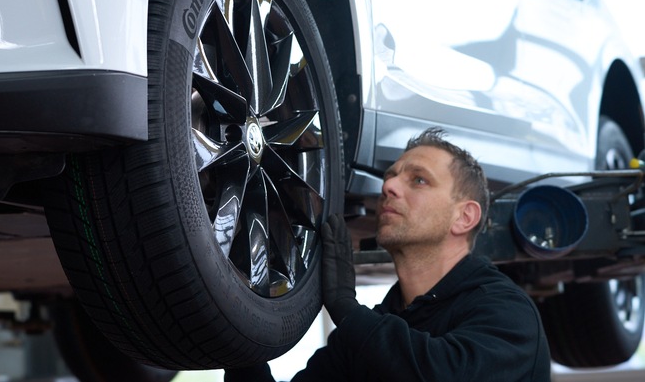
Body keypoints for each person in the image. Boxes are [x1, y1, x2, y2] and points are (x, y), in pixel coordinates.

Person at [226, 127, 552, 381]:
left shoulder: (507, 311)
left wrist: (346, 308)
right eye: (390, 176)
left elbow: (446, 374)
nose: (389, 187)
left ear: (464, 217)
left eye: (419, 180)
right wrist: (234, 296)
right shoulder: (370, 333)